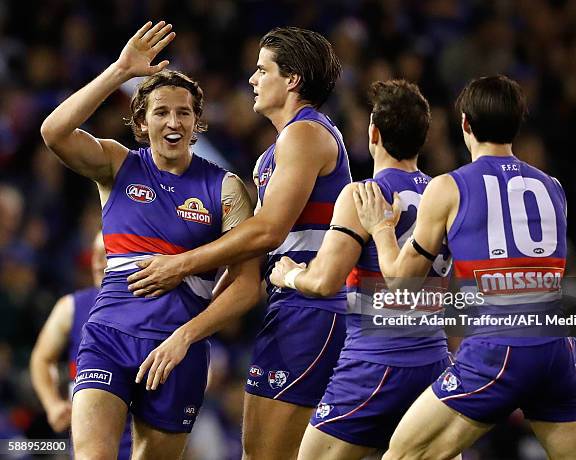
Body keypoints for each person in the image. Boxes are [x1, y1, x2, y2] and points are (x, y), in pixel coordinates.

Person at [125, 27, 350, 459]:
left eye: (262, 69)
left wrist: (182, 265)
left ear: (292, 80)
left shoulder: (305, 135)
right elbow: (254, 254)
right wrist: (189, 324)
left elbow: (268, 232)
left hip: (313, 307)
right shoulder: (281, 146)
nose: (252, 78)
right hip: (290, 304)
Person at [40, 21, 260, 460]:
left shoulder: (225, 189)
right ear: (142, 121)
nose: (173, 122)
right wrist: (120, 71)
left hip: (179, 351)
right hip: (109, 336)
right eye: (161, 112)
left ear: (198, 121)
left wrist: (185, 338)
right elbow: (54, 132)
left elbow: (248, 284)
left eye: (184, 112)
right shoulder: (117, 166)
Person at [353, 75, 576, 460]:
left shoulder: (448, 187)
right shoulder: (553, 186)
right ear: (517, 123)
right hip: (557, 350)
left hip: (497, 349)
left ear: (465, 123)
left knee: (401, 454)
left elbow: (401, 284)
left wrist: (381, 229)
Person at [269, 79, 454, 460]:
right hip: (434, 362)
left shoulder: (364, 194)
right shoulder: (445, 193)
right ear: (424, 137)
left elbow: (323, 282)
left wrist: (286, 274)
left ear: (374, 133)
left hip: (374, 364)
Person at [30, 232, 132, 459]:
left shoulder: (154, 308)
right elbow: (41, 358)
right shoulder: (71, 307)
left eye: (106, 254)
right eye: (94, 254)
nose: (97, 262)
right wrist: (52, 403)